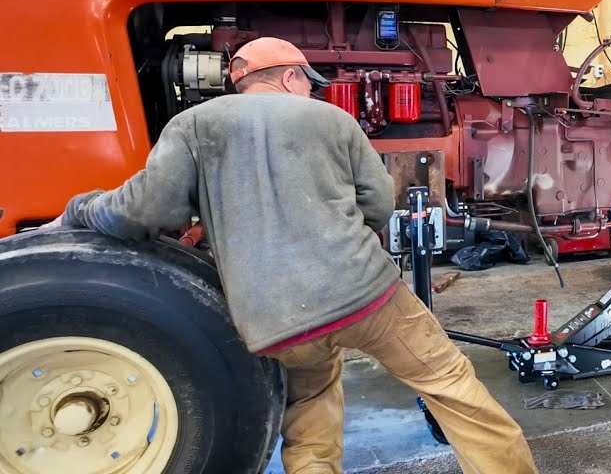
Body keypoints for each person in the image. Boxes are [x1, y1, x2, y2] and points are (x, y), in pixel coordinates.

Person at [47, 37, 537, 474]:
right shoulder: (332, 119)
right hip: (366, 297)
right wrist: (336, 240)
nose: (311, 92)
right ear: (289, 77)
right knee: (450, 385)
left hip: (276, 320)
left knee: (310, 414)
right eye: (308, 82)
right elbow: (378, 203)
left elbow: (146, 209)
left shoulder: (193, 126)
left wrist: (78, 210)